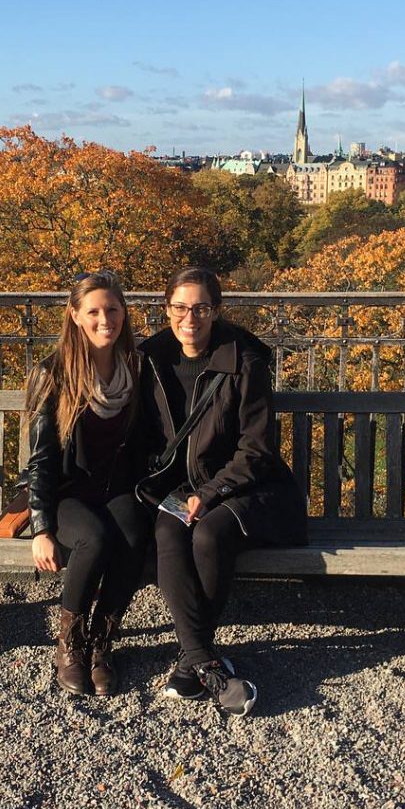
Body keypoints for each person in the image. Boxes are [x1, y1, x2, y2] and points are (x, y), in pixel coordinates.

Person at [137, 267, 307, 716]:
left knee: (208, 534)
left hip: (250, 489)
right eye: (180, 307)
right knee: (169, 531)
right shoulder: (150, 358)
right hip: (184, 489)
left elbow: (257, 449)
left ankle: (191, 663)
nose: (189, 318)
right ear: (166, 308)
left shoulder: (245, 360)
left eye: (200, 308)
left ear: (215, 310)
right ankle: (204, 662)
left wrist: (210, 493)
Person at [26, 271, 151, 696]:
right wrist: (41, 528)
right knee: (95, 539)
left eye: (113, 310)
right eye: (94, 311)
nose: (105, 320)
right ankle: (69, 644)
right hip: (67, 495)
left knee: (135, 535)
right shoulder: (54, 373)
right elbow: (41, 458)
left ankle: (101, 642)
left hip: (116, 488)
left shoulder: (136, 368)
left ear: (124, 313)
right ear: (75, 316)